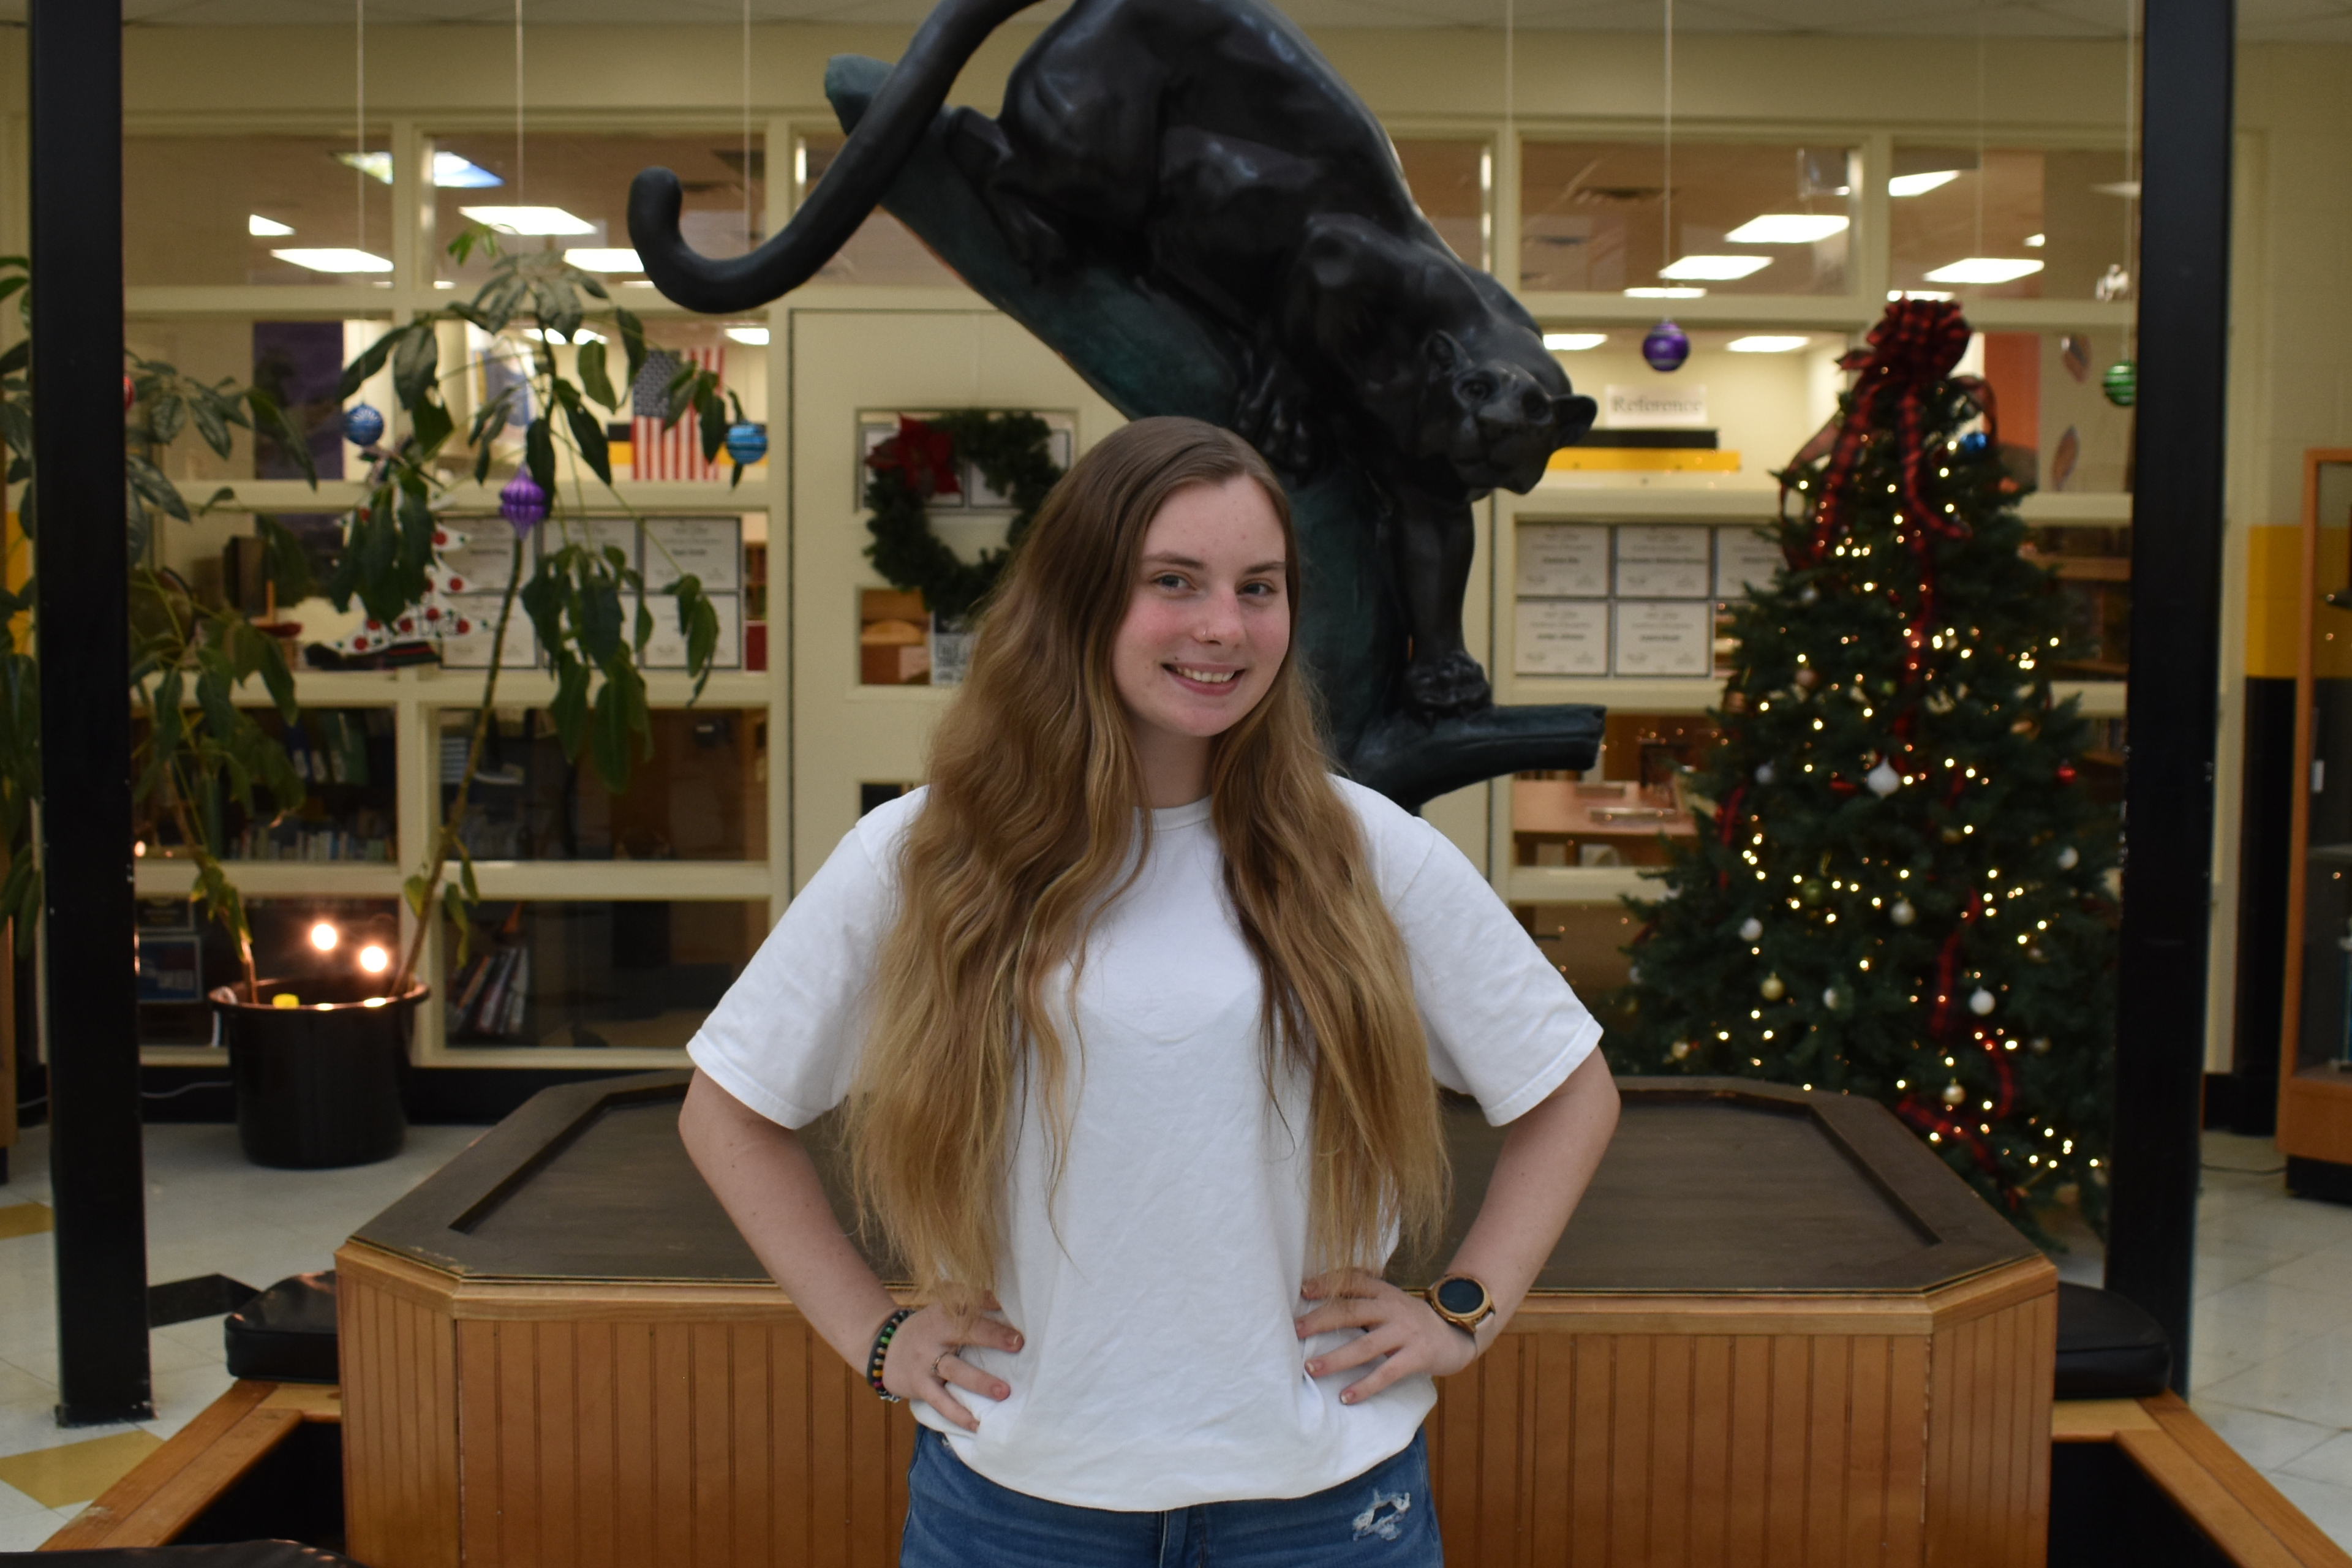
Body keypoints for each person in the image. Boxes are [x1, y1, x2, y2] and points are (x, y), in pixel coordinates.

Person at [679, 415, 1619, 1566]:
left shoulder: (1364, 850)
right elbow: (727, 1108)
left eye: (1258, 587)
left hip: (1321, 1506)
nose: (1224, 627)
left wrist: (1466, 1310)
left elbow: (1571, 1092)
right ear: (1080, 598)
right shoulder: (927, 853)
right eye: (1174, 582)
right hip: (1021, 1504)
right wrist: (876, 1338)